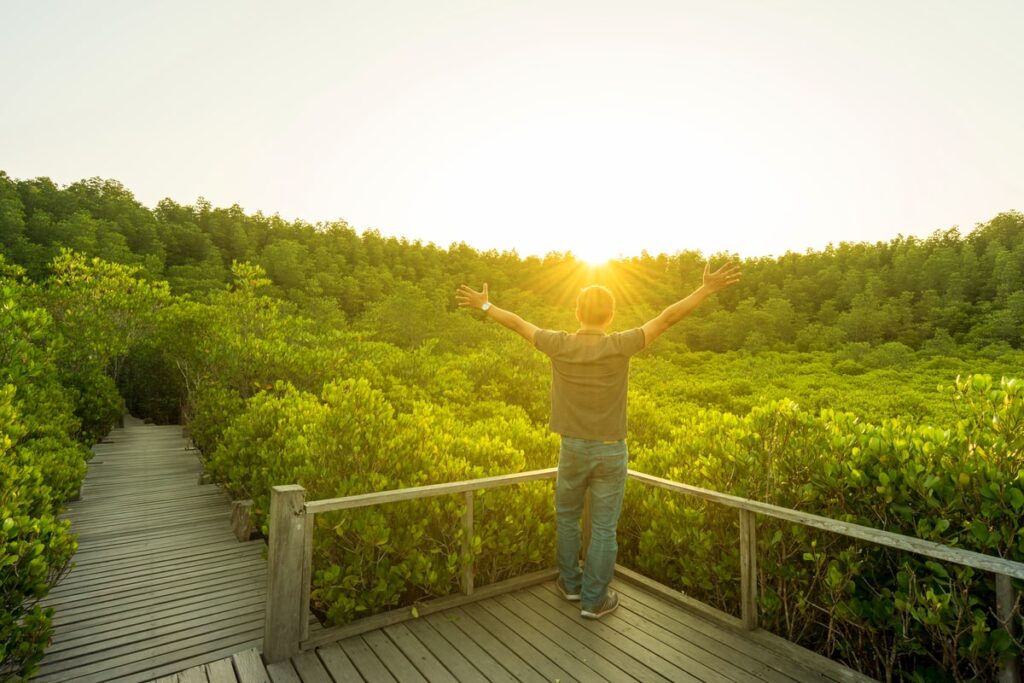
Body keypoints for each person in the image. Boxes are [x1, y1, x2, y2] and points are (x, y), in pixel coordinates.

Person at [456, 261, 741, 618]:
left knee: (566, 518)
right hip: (610, 450)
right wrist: (706, 290)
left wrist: (485, 305)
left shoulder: (558, 344)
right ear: (610, 317)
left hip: (571, 448)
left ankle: (571, 586)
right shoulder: (621, 345)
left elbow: (517, 323)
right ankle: (594, 601)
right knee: (604, 528)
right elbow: (667, 318)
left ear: (577, 313)